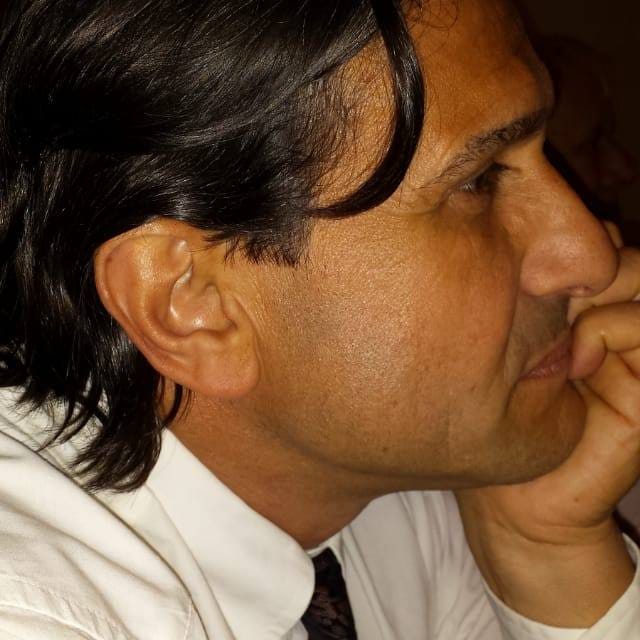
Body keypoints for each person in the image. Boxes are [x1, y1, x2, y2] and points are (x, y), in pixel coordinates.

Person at [0, 0, 639, 639]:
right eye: (476, 182)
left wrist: (544, 549)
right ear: (194, 303)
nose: (591, 254)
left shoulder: (372, 474)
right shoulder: (32, 614)